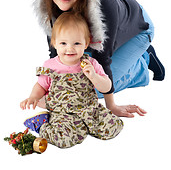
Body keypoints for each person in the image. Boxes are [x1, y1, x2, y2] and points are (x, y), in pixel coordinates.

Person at [32, 0, 165, 117]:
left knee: (94, 87)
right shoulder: (52, 2)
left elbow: (103, 60)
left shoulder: (103, 8)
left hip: (137, 29)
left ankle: (143, 60)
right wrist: (52, 89)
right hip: (100, 23)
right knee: (77, 71)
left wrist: (112, 106)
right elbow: (57, 51)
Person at [20, 12, 124, 148]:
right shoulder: (50, 66)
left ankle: (86, 126)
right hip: (63, 113)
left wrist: (94, 76)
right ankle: (41, 124)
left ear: (86, 44)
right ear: (54, 43)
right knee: (64, 140)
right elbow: (41, 85)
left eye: (76, 43)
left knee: (114, 127)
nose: (70, 48)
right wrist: (33, 97)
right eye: (63, 43)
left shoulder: (90, 63)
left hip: (90, 109)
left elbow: (106, 86)